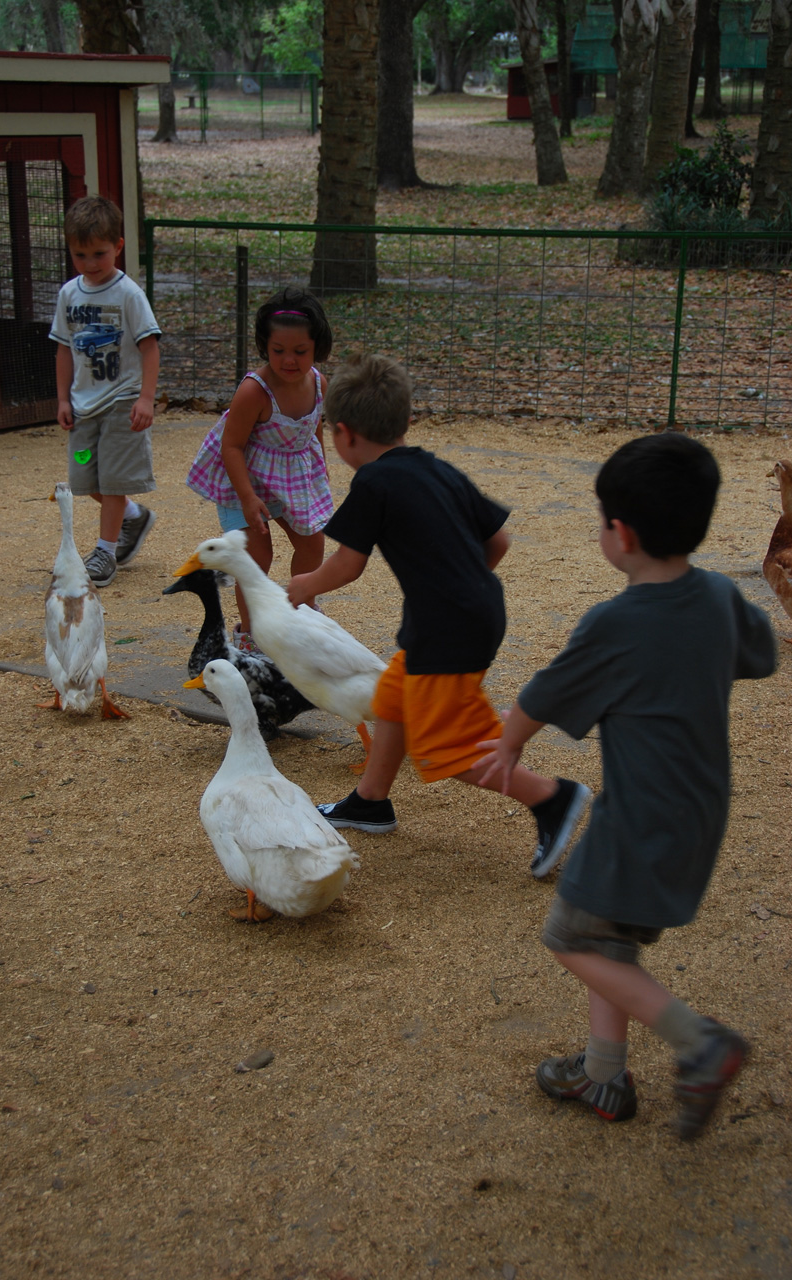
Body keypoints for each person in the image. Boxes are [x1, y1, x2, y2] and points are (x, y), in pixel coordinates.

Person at [476, 433, 776, 1139]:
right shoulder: (718, 597)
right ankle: (603, 1077)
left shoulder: (616, 622)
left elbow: (550, 689)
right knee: (606, 936)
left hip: (639, 819)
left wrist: (510, 742)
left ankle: (699, 1042)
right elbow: (757, 652)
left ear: (623, 534)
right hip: (698, 808)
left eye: (601, 519)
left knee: (571, 938)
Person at [286, 352, 590, 876]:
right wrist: (462, 584)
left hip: (447, 626)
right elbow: (498, 540)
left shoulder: (374, 483)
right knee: (394, 696)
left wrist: (304, 586)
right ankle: (371, 801)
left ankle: (551, 797)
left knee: (443, 746)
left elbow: (347, 564)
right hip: (473, 610)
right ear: (406, 421)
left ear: (343, 434)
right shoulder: (439, 469)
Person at [186, 286, 333, 653]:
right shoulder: (255, 391)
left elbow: (314, 430)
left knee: (313, 542)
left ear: (317, 348)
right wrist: (248, 498)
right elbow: (231, 445)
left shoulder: (317, 384)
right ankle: (250, 636)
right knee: (257, 557)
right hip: (246, 479)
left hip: (292, 478)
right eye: (278, 351)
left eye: (300, 351)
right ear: (264, 347)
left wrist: (322, 471)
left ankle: (302, 610)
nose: (289, 360)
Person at [50, 195, 161, 587]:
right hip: (83, 405)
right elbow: (65, 348)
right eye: (80, 255)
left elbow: (150, 347)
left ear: (118, 246)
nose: (90, 264)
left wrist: (145, 398)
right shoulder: (69, 295)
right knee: (87, 480)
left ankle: (104, 552)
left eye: (99, 253)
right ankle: (133, 516)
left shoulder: (128, 294)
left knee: (112, 478)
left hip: (122, 401)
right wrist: (63, 398)